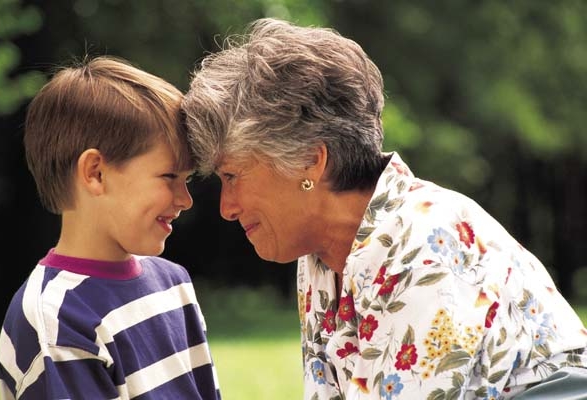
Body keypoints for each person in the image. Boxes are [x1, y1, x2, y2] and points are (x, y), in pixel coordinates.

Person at [181, 17, 587, 399]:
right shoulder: (323, 255)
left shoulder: (426, 244)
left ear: (310, 161)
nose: (226, 208)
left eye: (232, 176)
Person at [0, 56, 221, 400]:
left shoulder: (173, 282)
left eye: (187, 179)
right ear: (95, 173)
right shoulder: (55, 318)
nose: (185, 199)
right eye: (169, 177)